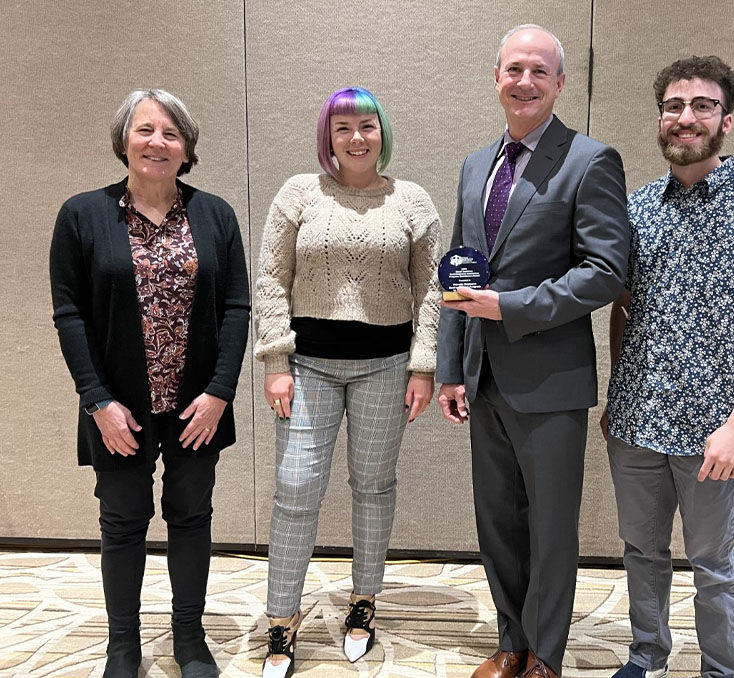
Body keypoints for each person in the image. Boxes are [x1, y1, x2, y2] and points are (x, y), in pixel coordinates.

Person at [601, 56, 734, 678]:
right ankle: (647, 656)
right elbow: (623, 309)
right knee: (642, 551)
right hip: (637, 420)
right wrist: (618, 397)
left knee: (711, 563)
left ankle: (721, 668)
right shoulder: (635, 209)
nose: (685, 117)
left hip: (712, 429)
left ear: (727, 121)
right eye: (673, 105)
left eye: (702, 106)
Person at [436, 25, 630, 678]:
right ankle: (511, 642)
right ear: (497, 77)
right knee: (497, 525)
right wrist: (450, 369)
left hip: (550, 380)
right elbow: (457, 275)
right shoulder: (474, 165)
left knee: (549, 530)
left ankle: (545, 655)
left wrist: (511, 308)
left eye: (539, 71)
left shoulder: (589, 161)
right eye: (514, 68)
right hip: (481, 379)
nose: (525, 81)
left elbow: (605, 271)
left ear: (560, 84)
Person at [49, 89, 251, 678]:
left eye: (170, 133)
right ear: (123, 141)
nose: (156, 143)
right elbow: (70, 314)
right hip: (119, 409)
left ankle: (190, 639)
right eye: (144, 131)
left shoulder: (214, 214)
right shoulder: (83, 214)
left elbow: (237, 308)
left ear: (186, 147)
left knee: (192, 518)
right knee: (122, 522)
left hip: (197, 408)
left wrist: (219, 393)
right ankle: (122, 645)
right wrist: (98, 402)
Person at [254, 86, 442, 676]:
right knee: (294, 489)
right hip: (308, 365)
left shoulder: (412, 201)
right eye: (342, 128)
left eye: (367, 125)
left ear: (383, 132)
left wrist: (423, 365)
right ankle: (281, 620)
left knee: (374, 485)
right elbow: (269, 280)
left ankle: (364, 601)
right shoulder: (298, 194)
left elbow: (433, 289)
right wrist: (276, 363)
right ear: (327, 137)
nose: (356, 138)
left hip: (386, 367)